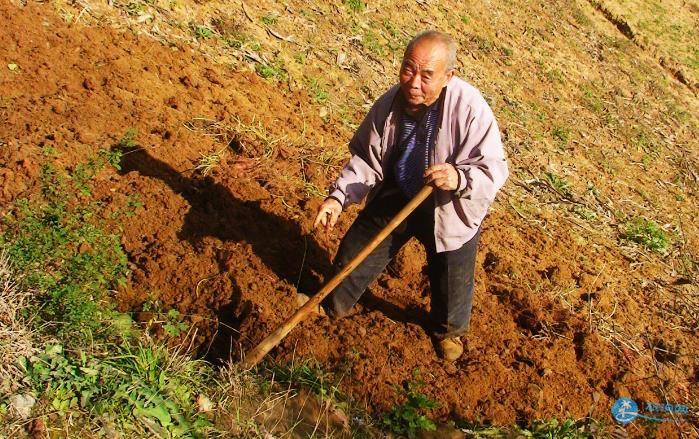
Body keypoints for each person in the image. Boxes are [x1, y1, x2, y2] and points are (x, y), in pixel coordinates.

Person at [310, 30, 509, 362]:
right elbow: (366, 160)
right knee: (355, 252)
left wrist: (458, 176)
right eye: (408, 69)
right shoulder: (389, 105)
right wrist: (338, 197)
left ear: (448, 76)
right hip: (401, 192)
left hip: (450, 206)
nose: (414, 82)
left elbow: (493, 170)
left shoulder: (470, 109)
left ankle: (448, 332)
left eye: (427, 75)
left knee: (452, 279)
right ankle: (333, 303)